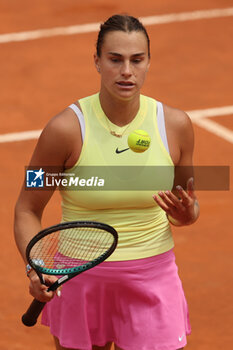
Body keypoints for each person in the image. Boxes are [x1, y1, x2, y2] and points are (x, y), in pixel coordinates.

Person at [14, 14, 199, 350]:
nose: (126, 71)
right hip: (80, 281)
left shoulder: (176, 126)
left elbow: (187, 204)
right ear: (97, 61)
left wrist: (187, 214)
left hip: (152, 281)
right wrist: (34, 268)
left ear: (148, 62)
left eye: (136, 59)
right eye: (115, 59)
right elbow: (27, 208)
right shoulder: (64, 131)